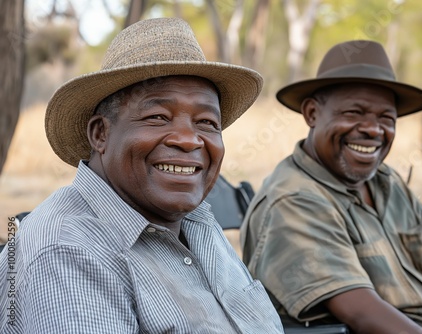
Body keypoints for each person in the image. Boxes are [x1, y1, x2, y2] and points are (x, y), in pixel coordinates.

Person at [0, 17, 284, 333]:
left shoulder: (194, 219)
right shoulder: (67, 250)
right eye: (158, 117)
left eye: (206, 123)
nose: (189, 139)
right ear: (100, 134)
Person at [240, 40, 422, 333]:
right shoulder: (295, 200)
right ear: (312, 113)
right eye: (353, 113)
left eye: (386, 118)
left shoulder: (384, 181)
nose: (373, 130)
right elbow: (363, 315)